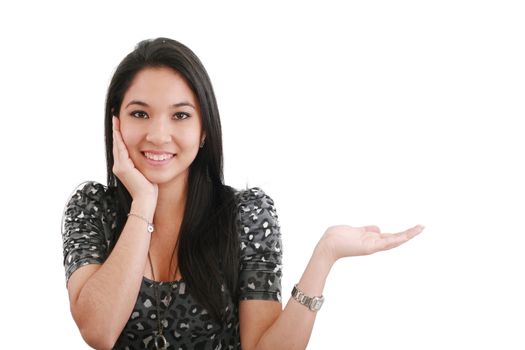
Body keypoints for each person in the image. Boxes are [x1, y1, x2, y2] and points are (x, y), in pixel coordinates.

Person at [61, 37, 424, 350]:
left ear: (205, 130)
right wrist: (143, 202)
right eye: (140, 114)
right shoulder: (93, 208)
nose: (158, 134)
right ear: (116, 123)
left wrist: (324, 256)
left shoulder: (246, 214)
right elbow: (100, 331)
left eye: (180, 116)